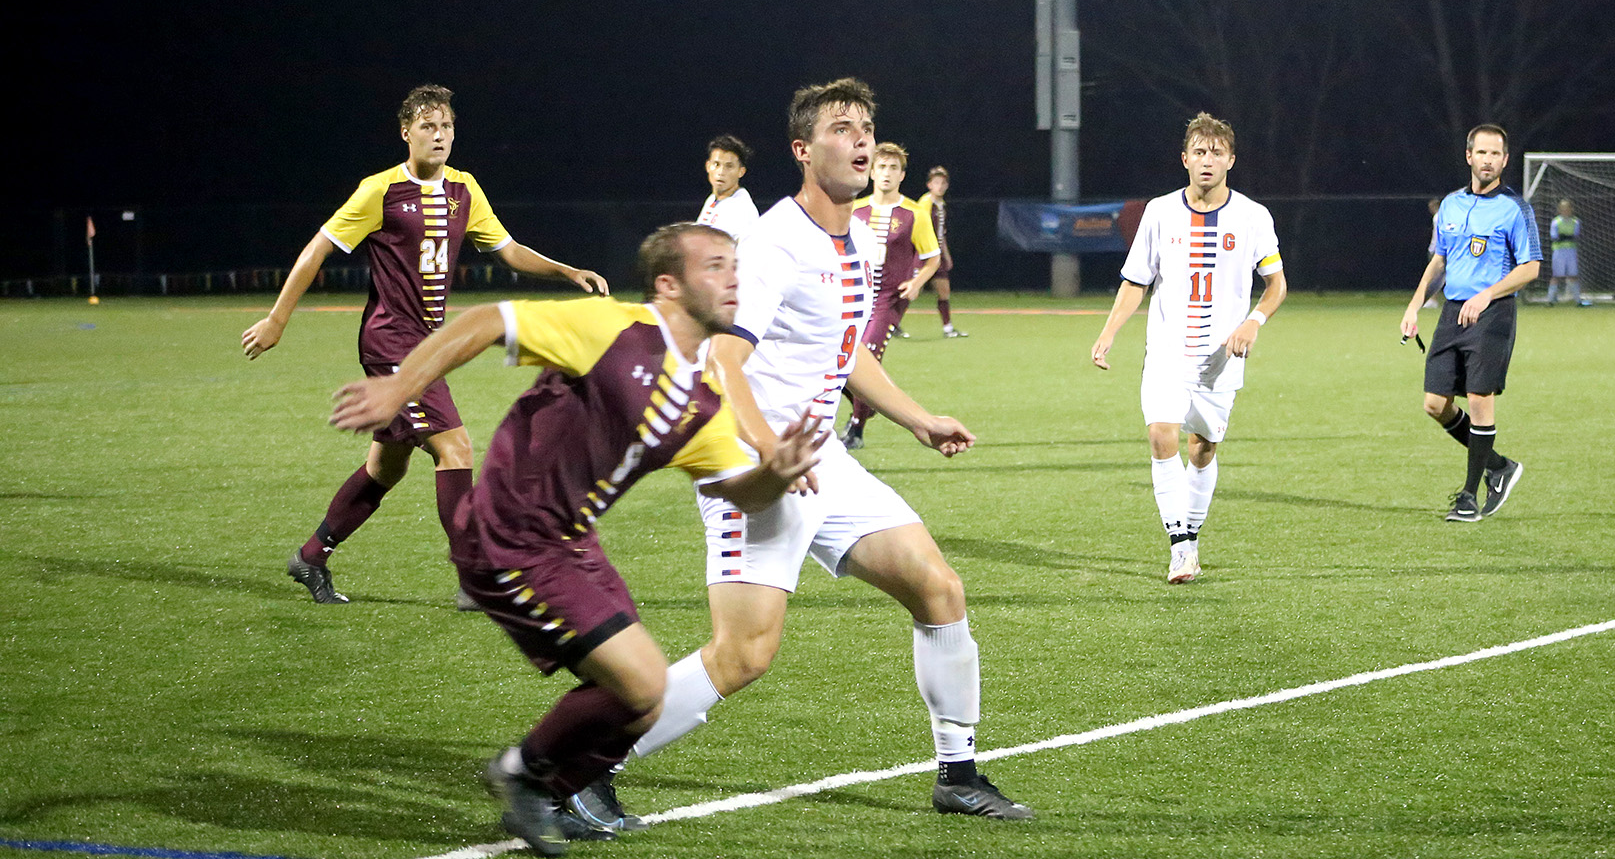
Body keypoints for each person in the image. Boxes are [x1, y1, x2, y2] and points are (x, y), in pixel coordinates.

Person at [581, 77, 1033, 822]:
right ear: (803, 149)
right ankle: (581, 767)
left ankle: (958, 775)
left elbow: (846, 349)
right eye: (842, 127)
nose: (860, 139)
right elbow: (722, 359)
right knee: (743, 656)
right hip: (755, 465)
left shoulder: (854, 236)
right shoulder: (773, 242)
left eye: (867, 127)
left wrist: (916, 417)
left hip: (821, 459)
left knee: (938, 590)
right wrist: (767, 449)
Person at [329, 223, 824, 855]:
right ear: (668, 285)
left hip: (569, 543)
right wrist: (399, 389)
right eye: (716, 267)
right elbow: (486, 321)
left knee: (646, 701)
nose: (733, 279)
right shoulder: (613, 328)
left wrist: (773, 476)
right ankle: (522, 773)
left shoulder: (703, 398)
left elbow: (736, 495)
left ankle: (549, 791)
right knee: (642, 682)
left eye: (736, 267)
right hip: (507, 533)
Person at [241, 84, 607, 605]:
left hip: (428, 343)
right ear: (406, 133)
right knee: (454, 446)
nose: (440, 136)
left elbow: (508, 250)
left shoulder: (465, 190)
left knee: (386, 465)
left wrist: (567, 271)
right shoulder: (380, 191)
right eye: (429, 127)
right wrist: (278, 319)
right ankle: (475, 579)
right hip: (391, 343)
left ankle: (312, 556)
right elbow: (317, 248)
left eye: (447, 127)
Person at [1089, 113, 1286, 584]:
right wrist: (1109, 331)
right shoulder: (1159, 212)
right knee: (1162, 434)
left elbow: (1276, 286)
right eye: (1199, 151)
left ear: (1231, 160)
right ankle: (1181, 546)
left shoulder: (1254, 217)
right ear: (1184, 158)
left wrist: (1253, 322)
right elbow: (1136, 281)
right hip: (1167, 351)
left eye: (1216, 152)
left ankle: (1191, 532)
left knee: (1203, 448)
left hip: (1221, 360)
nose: (1207, 160)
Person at [1399, 124, 1540, 523]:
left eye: (1496, 154)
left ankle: (1469, 496)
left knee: (1479, 399)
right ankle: (1499, 466)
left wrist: (1487, 294)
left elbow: (1531, 267)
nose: (1488, 160)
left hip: (1492, 313)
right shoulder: (1450, 205)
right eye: (1482, 153)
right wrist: (1414, 306)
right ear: (1469, 156)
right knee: (1435, 403)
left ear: (1505, 161)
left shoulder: (1516, 208)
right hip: (1451, 313)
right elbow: (1439, 261)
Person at [841, 142, 943, 450]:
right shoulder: (855, 209)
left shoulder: (914, 213)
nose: (887, 173)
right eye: (882, 167)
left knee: (868, 357)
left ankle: (856, 430)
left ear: (902, 175)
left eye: (893, 168)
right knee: (844, 362)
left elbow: (932, 257)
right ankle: (870, 403)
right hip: (855, 297)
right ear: (871, 171)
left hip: (889, 298)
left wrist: (916, 283)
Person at [920, 165, 967, 337]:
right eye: (936, 182)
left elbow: (941, 233)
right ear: (929, 185)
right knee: (911, 292)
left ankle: (948, 328)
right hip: (924, 255)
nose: (939, 186)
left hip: (937, 256)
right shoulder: (925, 203)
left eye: (942, 183)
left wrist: (946, 254)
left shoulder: (941, 205)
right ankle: (892, 324)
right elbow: (919, 230)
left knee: (944, 291)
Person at [696, 134, 759, 240]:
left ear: (741, 172)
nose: (721, 172)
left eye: (729, 166)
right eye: (716, 164)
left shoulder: (742, 209)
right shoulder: (712, 199)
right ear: (708, 166)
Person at [1544, 199, 1587, 306]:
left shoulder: (1575, 222)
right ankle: (1550, 300)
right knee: (1556, 276)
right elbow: (1555, 237)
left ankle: (1578, 301)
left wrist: (1564, 236)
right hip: (1559, 251)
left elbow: (1575, 236)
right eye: (1563, 209)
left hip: (1571, 251)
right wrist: (1565, 237)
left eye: (1567, 209)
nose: (1565, 211)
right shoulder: (1556, 222)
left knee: (1573, 275)